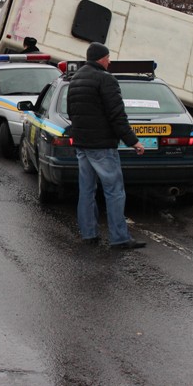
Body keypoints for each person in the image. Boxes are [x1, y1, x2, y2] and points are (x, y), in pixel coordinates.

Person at [66, 42, 146, 249]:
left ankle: (89, 234)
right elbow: (117, 115)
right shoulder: (106, 79)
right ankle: (119, 238)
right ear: (102, 58)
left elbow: (71, 112)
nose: (110, 61)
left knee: (86, 190)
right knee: (115, 191)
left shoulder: (75, 79)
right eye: (108, 57)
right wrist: (133, 141)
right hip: (102, 145)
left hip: (82, 144)